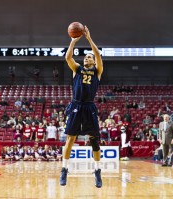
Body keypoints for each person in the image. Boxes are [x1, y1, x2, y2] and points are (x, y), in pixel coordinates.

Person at [59, 26, 103, 188]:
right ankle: (64, 169)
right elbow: (68, 57)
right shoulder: (77, 69)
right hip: (76, 105)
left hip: (89, 106)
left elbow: (98, 54)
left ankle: (97, 171)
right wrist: (73, 42)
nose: (87, 58)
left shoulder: (98, 71)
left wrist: (89, 39)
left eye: (89, 57)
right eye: (85, 57)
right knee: (70, 138)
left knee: (94, 140)